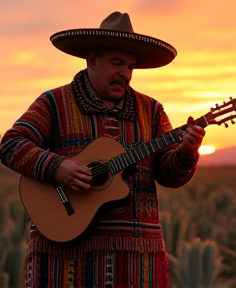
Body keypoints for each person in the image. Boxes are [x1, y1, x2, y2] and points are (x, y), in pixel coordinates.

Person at [0, 11, 205, 288]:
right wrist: (56, 168)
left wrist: (186, 153)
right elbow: (11, 143)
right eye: (117, 63)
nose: (125, 73)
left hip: (136, 261)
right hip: (63, 260)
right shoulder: (54, 102)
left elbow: (168, 175)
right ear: (93, 60)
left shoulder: (152, 111)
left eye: (131, 66)